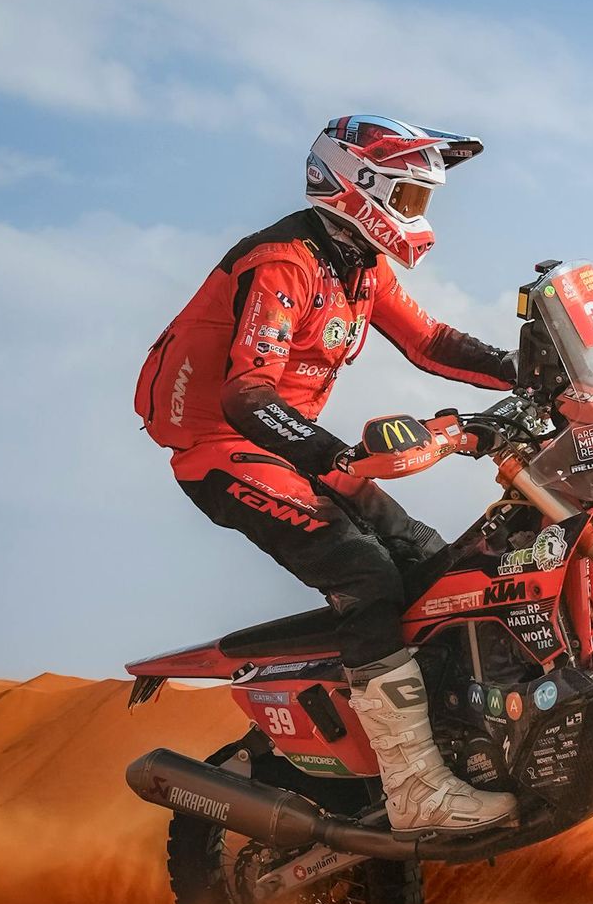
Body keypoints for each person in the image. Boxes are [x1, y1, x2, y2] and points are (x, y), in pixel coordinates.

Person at [135, 115, 517, 834]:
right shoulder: (285, 262)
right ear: (359, 186)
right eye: (408, 197)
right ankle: (416, 791)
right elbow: (247, 394)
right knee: (365, 573)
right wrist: (327, 456)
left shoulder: (361, 266)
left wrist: (532, 372)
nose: (418, 216)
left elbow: (431, 342)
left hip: (297, 449)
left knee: (432, 562)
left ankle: (453, 743)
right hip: (225, 448)